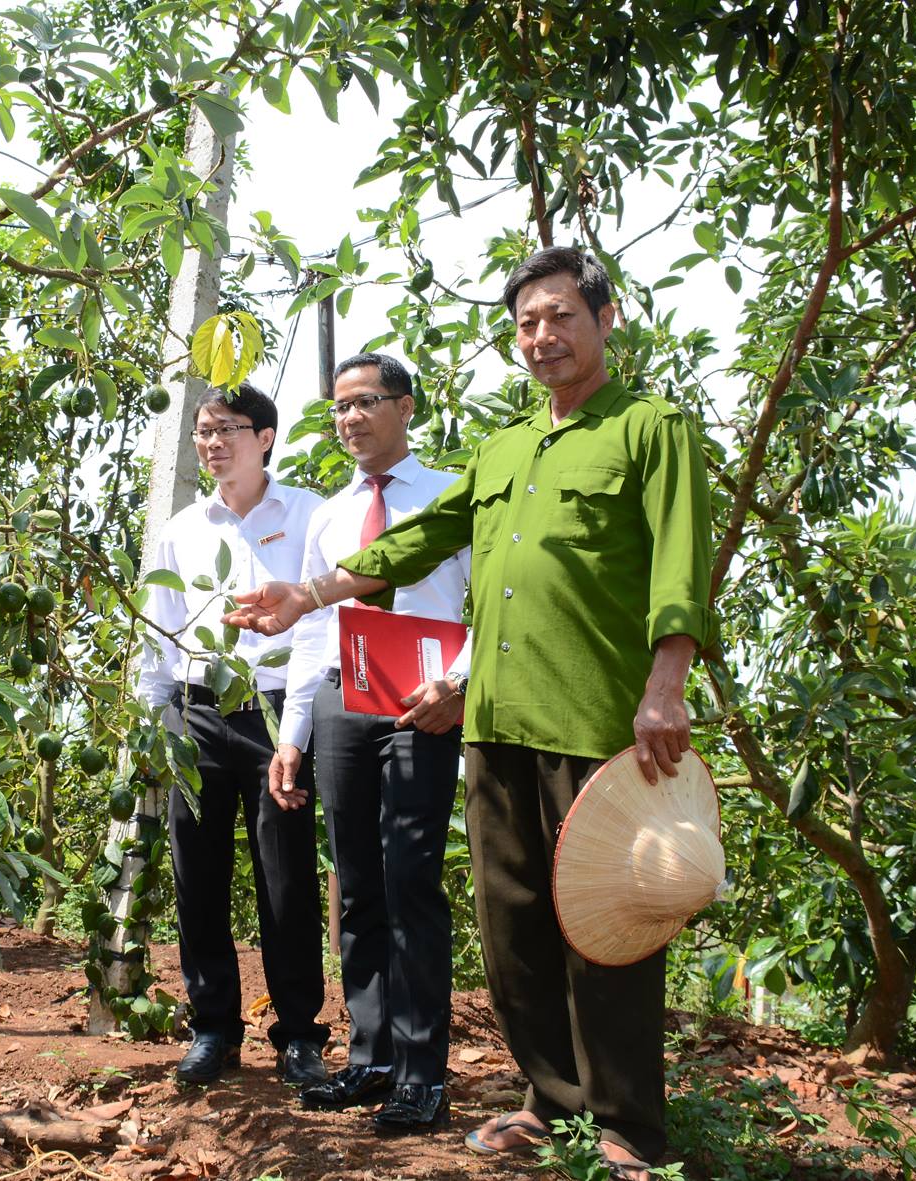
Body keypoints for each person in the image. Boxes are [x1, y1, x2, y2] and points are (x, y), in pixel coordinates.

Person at [225, 246, 715, 1177]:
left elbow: (680, 561)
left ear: (605, 321)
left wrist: (666, 684)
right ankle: (549, 1099)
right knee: (513, 917)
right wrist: (311, 594)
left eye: (562, 316)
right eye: (529, 322)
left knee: (606, 916)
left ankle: (627, 1125)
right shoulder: (500, 452)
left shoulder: (649, 430)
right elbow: (414, 545)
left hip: (600, 718)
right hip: (496, 718)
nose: (543, 336)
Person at [273, 353, 469, 1131]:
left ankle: (424, 1072)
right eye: (339, 409)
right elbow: (311, 626)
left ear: (407, 406)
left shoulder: (453, 498)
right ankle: (371, 1058)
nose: (350, 419)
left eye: (366, 402)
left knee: (412, 880)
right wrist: (294, 732)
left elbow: (485, 605)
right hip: (341, 705)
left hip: (424, 707)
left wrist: (457, 687)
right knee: (355, 884)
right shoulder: (327, 515)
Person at [136, 382, 330, 1087]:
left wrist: (297, 732)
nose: (213, 443)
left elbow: (317, 629)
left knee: (286, 880)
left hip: (279, 710)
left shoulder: (309, 515)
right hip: (197, 712)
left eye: (228, 429)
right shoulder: (184, 529)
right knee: (198, 871)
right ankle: (213, 1024)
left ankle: (300, 1033)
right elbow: (158, 634)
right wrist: (157, 727)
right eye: (203, 433)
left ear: (266, 437)